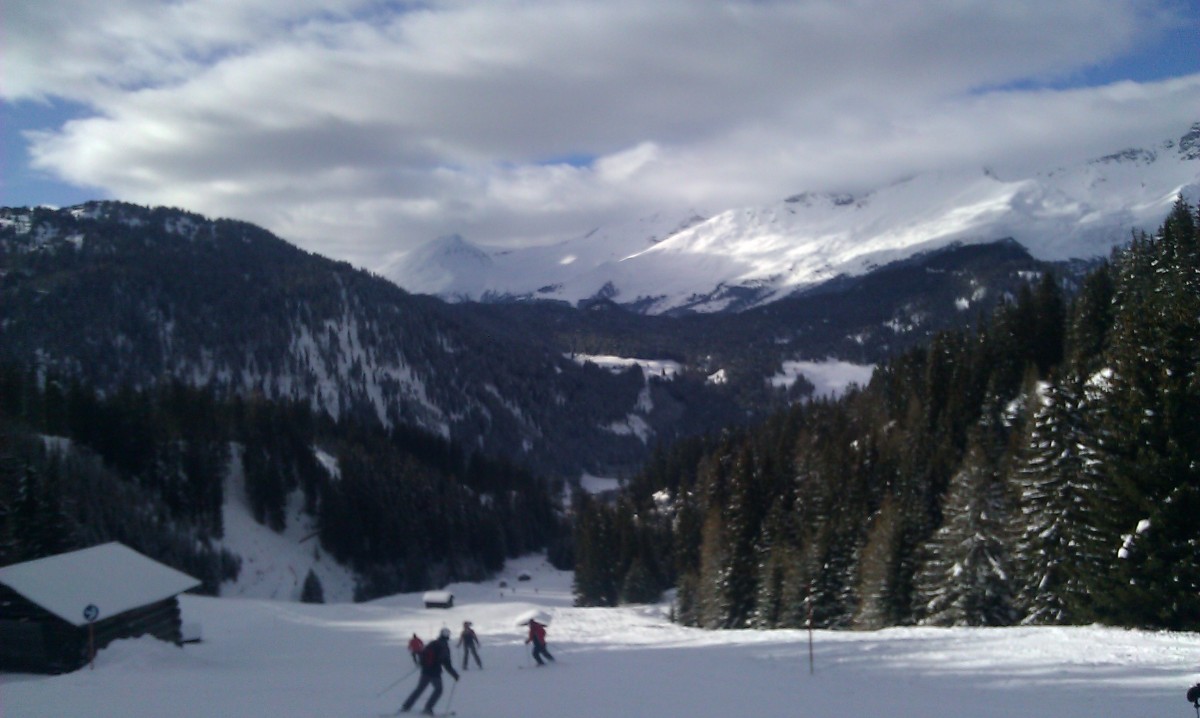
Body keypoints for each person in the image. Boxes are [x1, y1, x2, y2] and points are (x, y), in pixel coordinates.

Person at [401, 627, 459, 715]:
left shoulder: (433, 643)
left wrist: (422, 664)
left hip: (425, 670)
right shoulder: (444, 647)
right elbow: (446, 663)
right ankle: (428, 708)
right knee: (438, 689)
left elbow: (422, 653)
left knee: (420, 689)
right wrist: (454, 675)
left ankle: (406, 706)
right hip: (435, 672)